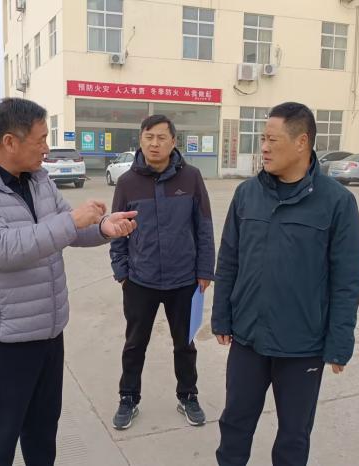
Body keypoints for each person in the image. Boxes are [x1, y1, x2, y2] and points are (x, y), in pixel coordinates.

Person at [0, 98, 138, 466]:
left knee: (43, 432)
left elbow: (67, 228)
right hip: (1, 341)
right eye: (41, 139)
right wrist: (72, 221)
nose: (47, 148)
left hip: (47, 332)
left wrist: (103, 228)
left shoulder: (37, 179)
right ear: (10, 142)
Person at [212, 102, 359, 466]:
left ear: (301, 143)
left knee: (294, 436)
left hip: (302, 345)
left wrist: (339, 341)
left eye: (272, 140)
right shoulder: (247, 194)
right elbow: (229, 259)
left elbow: (346, 280)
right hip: (248, 338)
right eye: (262, 139)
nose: (263, 148)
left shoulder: (337, 202)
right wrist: (222, 317)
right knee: (234, 424)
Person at [109, 114, 215, 430]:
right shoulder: (127, 183)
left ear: (173, 141)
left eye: (161, 137)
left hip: (184, 279)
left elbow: (204, 227)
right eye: (149, 137)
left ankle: (188, 396)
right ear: (141, 140)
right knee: (134, 343)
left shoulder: (191, 178)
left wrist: (204, 270)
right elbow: (117, 231)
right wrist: (122, 272)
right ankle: (128, 398)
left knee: (185, 343)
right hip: (140, 280)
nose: (155, 143)